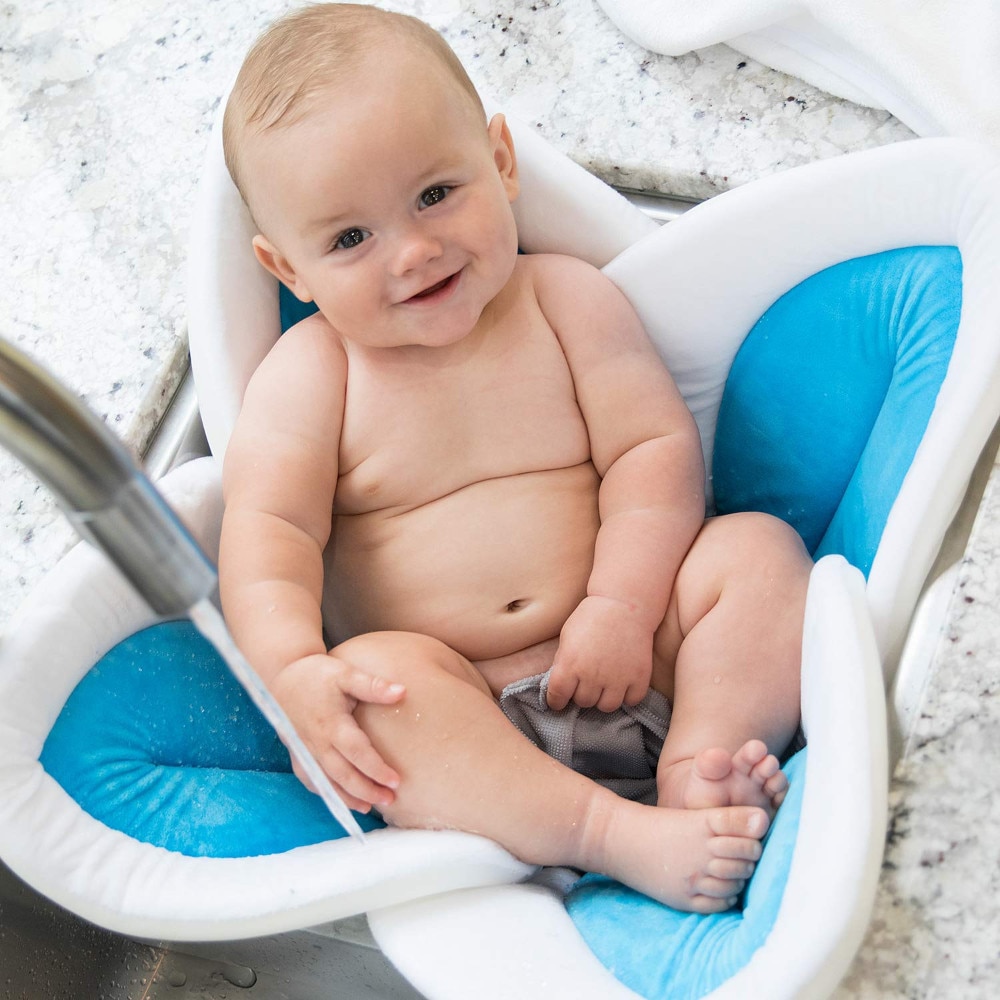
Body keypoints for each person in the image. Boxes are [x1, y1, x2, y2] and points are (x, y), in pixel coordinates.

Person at [219, 2, 813, 913]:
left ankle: (701, 766)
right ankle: (614, 834)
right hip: (469, 711)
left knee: (758, 554)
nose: (413, 252)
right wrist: (297, 671)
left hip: (636, 650)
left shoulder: (566, 302)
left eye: (435, 194)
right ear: (287, 270)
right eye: (349, 239)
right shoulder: (311, 376)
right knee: (380, 693)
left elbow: (652, 454)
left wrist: (623, 605)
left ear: (500, 163)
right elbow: (269, 539)